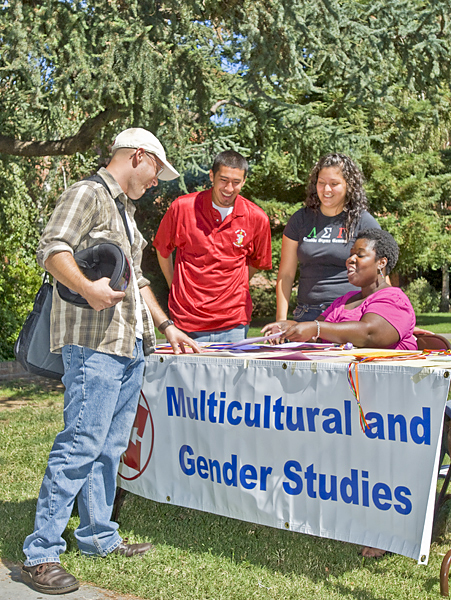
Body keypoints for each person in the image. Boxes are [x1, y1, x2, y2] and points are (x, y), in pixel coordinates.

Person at [22, 128, 200, 595]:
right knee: (80, 444)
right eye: (157, 170)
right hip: (93, 345)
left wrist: (166, 326)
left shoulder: (126, 210)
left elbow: (139, 280)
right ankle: (40, 553)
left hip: (129, 345)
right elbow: (52, 249)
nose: (158, 181)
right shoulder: (86, 192)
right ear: (138, 157)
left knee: (109, 448)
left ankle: (98, 536)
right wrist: (87, 287)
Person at [153, 150, 272, 343]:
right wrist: (173, 284)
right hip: (186, 320)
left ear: (244, 181)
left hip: (234, 322)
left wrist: (236, 283)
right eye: (223, 180)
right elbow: (162, 250)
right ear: (211, 176)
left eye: (236, 182)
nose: (229, 188)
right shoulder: (182, 207)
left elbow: (258, 262)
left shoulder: (257, 218)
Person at [262, 228, 416, 351]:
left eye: (360, 255)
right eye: (351, 254)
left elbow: (370, 334)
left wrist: (315, 328)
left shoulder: (394, 299)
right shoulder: (345, 300)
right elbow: (316, 334)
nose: (350, 259)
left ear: (381, 263)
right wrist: (290, 327)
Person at [276, 153, 380, 323]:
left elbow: (379, 275)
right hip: (306, 314)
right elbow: (286, 274)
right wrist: (280, 320)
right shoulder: (300, 219)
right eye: (321, 183)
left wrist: (394, 317)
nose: (326, 190)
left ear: (349, 186)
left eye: (334, 184)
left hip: (349, 313)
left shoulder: (363, 222)